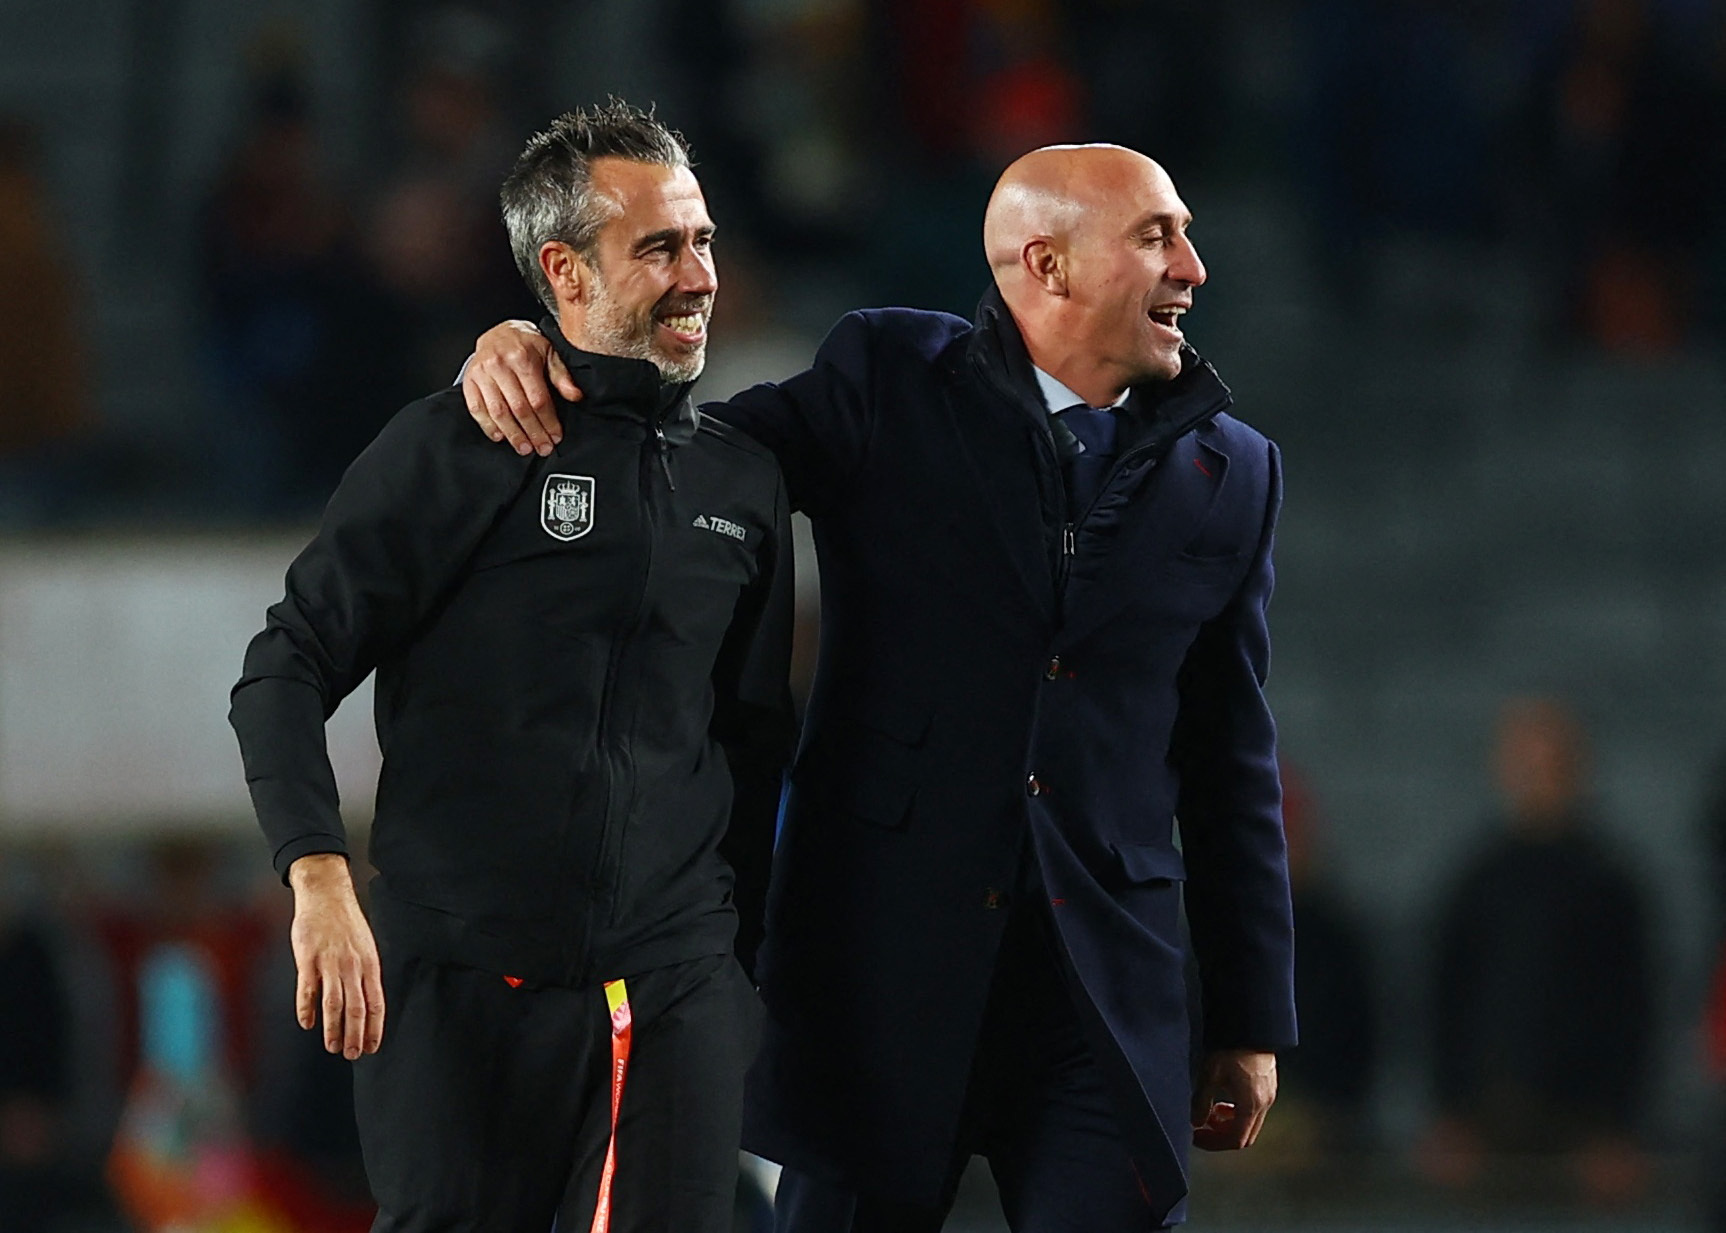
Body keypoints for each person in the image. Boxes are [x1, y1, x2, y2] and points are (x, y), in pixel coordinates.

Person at [464, 140, 1295, 1231]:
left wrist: (1248, 1021)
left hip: (1098, 1003)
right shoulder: (889, 379)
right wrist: (547, 354)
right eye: (1156, 237)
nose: (1191, 266)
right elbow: (686, 458)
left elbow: (1231, 764)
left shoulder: (1233, 473)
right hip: (878, 986)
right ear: (1043, 265)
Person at [229, 102, 794, 1232]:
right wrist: (318, 876)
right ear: (563, 272)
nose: (699, 276)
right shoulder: (459, 444)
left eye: (706, 241)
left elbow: (749, 740)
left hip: (670, 984)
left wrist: (750, 969)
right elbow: (284, 666)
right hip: (455, 986)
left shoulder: (744, 481)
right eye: (661, 248)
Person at [1417, 697, 1653, 1207]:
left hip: (1585, 1128)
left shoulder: (1609, 884)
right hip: (1489, 1120)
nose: (1538, 777)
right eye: (1526, 762)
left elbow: (1633, 1009)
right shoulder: (1478, 882)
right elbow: (1446, 1002)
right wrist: (1451, 1113)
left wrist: (1619, 1127)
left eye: (1551, 762)